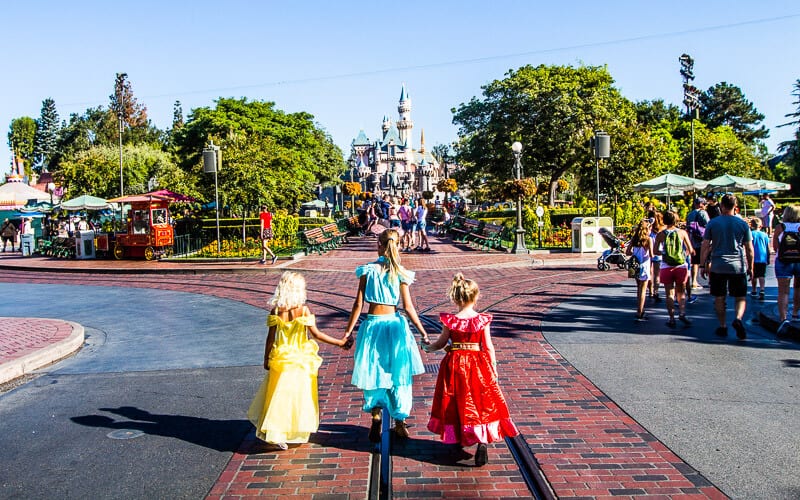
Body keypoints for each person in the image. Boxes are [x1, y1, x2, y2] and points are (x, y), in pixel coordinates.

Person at [247, 271, 352, 450]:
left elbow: (270, 338)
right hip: (300, 359)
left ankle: (276, 431)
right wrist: (339, 342)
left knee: (277, 396)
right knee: (297, 396)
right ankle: (291, 428)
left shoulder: (276, 311)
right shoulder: (303, 310)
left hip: (281, 358)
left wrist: (266, 358)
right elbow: (317, 335)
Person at [423, 273, 519, 466]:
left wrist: (427, 347)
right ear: (475, 297)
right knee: (479, 402)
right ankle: (481, 440)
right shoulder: (482, 320)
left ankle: (457, 435)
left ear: (456, 298)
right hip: (478, 364)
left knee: (455, 400)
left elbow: (441, 343)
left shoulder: (451, 320)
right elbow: (488, 346)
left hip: (455, 364)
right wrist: (493, 368)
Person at [344, 228, 430, 441]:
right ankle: (400, 421)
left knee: (372, 371)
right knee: (398, 373)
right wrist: (423, 331)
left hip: (372, 325)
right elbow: (409, 308)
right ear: (398, 245)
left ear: (378, 245)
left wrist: (348, 331)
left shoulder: (367, 270)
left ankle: (375, 414)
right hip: (394, 326)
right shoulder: (400, 272)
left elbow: (358, 304)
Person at [700, 194, 754, 340]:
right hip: (738, 265)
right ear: (735, 206)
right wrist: (751, 267)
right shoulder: (743, 224)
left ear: (721, 206)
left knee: (719, 297)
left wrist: (702, 264)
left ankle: (722, 325)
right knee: (740, 296)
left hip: (718, 265)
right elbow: (749, 248)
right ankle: (737, 318)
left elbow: (705, 245)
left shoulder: (713, 223)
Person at [655, 210, 694, 328]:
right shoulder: (682, 233)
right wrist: (683, 255)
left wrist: (665, 253)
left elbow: (655, 251)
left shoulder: (661, 234)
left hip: (666, 266)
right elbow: (690, 249)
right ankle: (682, 313)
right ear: (676, 220)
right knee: (681, 292)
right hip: (680, 266)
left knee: (669, 294)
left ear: (664, 220)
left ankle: (671, 318)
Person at [772, 205, 800, 334]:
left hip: (783, 261)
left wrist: (782, 253)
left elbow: (775, 245)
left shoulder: (780, 227)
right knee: (798, 288)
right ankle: (795, 313)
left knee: (783, 291)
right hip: (799, 261)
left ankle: (783, 318)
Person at [626, 220, 654, 321]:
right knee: (643, 290)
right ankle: (640, 311)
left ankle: (639, 309)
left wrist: (635, 254)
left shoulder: (634, 239)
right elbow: (651, 254)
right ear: (647, 229)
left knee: (638, 288)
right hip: (644, 265)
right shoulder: (648, 239)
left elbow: (628, 252)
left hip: (635, 265)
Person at [685, 197, 709, 291]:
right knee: (705, 260)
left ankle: (693, 280)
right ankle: (708, 280)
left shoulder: (690, 214)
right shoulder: (703, 213)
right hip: (702, 239)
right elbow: (708, 224)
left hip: (692, 239)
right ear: (701, 204)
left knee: (694, 262)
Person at [749, 217, 770, 301]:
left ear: (751, 225)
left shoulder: (750, 234)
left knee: (754, 275)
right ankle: (762, 289)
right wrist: (768, 258)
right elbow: (768, 248)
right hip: (762, 257)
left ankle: (754, 290)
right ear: (761, 226)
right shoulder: (764, 235)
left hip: (753, 257)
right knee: (762, 275)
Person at [647, 211, 664, 303]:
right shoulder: (662, 229)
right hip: (658, 252)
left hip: (649, 252)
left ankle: (650, 291)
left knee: (650, 272)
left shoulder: (649, 229)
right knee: (657, 274)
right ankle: (655, 292)